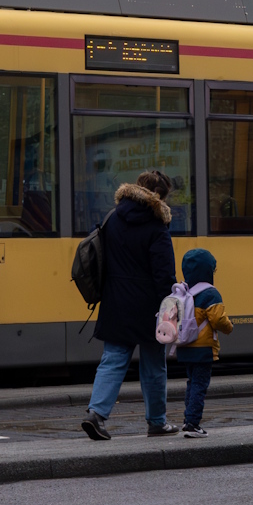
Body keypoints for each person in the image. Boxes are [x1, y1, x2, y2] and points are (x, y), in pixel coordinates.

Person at [83, 169, 180, 440]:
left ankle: (96, 414)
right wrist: (171, 307)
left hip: (115, 302)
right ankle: (157, 422)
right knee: (154, 366)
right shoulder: (157, 227)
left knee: (112, 361)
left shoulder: (113, 218)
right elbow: (164, 275)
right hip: (149, 307)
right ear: (159, 196)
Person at [170, 247, 235, 437]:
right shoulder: (210, 294)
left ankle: (188, 419)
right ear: (208, 270)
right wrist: (229, 327)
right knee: (199, 385)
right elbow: (218, 319)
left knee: (192, 384)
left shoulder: (184, 291)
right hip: (202, 349)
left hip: (184, 347)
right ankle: (192, 423)